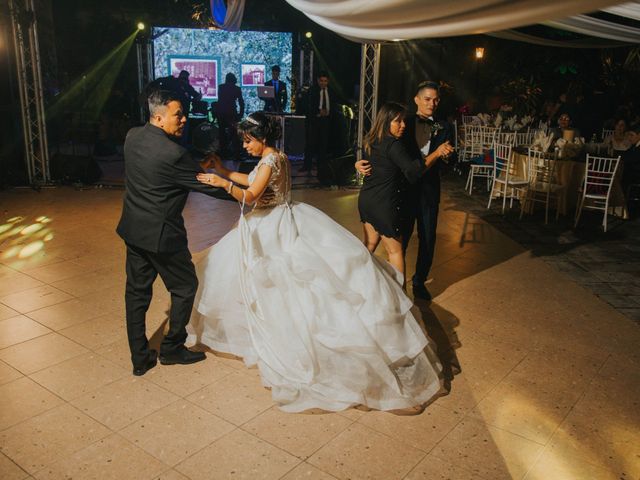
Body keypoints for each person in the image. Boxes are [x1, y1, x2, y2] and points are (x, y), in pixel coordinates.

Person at [188, 112, 443, 413]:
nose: (244, 146)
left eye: (248, 140)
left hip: (272, 224)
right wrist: (226, 171)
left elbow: (252, 194)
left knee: (279, 282)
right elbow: (253, 179)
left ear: (262, 139)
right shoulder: (276, 157)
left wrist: (220, 181)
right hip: (283, 216)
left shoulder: (270, 161)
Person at [116, 90, 230, 377]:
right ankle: (172, 348)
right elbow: (208, 186)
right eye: (177, 114)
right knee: (185, 286)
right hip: (163, 236)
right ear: (158, 116)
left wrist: (194, 170)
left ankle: (140, 359)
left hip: (133, 230)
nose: (184, 119)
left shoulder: (132, 137)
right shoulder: (174, 153)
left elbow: (165, 176)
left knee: (136, 295)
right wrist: (250, 195)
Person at [357, 81, 454, 301]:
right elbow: (386, 155)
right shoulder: (403, 122)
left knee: (428, 238)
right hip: (402, 192)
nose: (432, 103)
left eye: (436, 99)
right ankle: (397, 291)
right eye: (427, 99)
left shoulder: (444, 126)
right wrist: (358, 163)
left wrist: (446, 155)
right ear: (417, 100)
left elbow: (450, 160)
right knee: (400, 242)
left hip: (428, 191)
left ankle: (419, 281)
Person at [358, 102, 428, 281]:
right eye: (398, 122)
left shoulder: (371, 140)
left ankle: (356, 282)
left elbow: (365, 163)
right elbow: (413, 171)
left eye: (403, 121)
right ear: (386, 122)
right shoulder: (393, 144)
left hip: (367, 201)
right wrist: (434, 154)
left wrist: (356, 164)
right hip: (384, 205)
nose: (403, 125)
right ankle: (400, 300)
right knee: (395, 251)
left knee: (370, 244)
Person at [301, 72, 332, 176]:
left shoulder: (330, 91)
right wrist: (319, 111)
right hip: (314, 121)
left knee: (323, 144)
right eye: (321, 81)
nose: (323, 83)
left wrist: (328, 112)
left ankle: (321, 166)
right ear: (318, 80)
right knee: (310, 143)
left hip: (326, 121)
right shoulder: (312, 91)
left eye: (325, 81)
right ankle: (307, 165)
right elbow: (307, 105)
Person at [216, 72, 245, 158]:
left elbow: (219, 101)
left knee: (222, 134)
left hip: (222, 114)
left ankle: (223, 153)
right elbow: (241, 103)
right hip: (232, 114)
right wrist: (240, 114)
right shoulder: (237, 89)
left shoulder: (221, 87)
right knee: (234, 134)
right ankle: (236, 154)